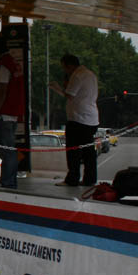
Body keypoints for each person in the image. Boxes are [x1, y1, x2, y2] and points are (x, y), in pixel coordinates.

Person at [49, 54, 99, 187]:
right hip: (92, 118)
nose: (65, 71)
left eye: (64, 68)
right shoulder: (90, 74)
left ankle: (72, 179)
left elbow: (70, 95)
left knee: (73, 151)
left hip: (78, 118)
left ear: (69, 65)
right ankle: (90, 178)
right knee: (89, 151)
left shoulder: (77, 76)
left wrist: (57, 88)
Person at [0, 34, 24, 189]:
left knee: (6, 152)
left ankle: (7, 183)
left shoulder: (4, 64)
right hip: (13, 113)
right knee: (10, 150)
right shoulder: (14, 63)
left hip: (4, 114)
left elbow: (2, 90)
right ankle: (10, 181)